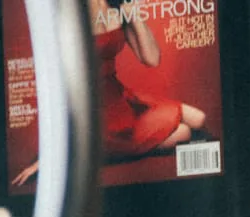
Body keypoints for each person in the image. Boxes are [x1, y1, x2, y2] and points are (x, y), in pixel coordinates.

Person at [11, 0, 209, 187]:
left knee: (199, 119)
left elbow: (151, 58)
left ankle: (112, 150)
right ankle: (101, 151)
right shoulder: (71, 12)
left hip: (121, 100)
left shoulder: (117, 5)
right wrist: (50, 156)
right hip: (95, 118)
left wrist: (133, 12)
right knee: (184, 133)